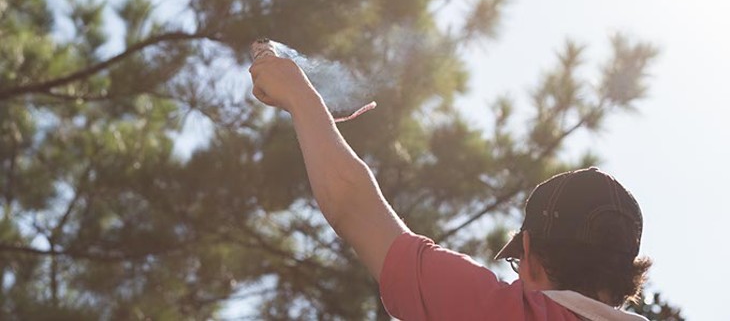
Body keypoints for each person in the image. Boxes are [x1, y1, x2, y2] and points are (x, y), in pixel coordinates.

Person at [249, 55, 652, 321]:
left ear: (530, 256)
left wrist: (298, 93)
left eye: (516, 266)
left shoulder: (508, 313)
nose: (515, 280)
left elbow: (351, 204)